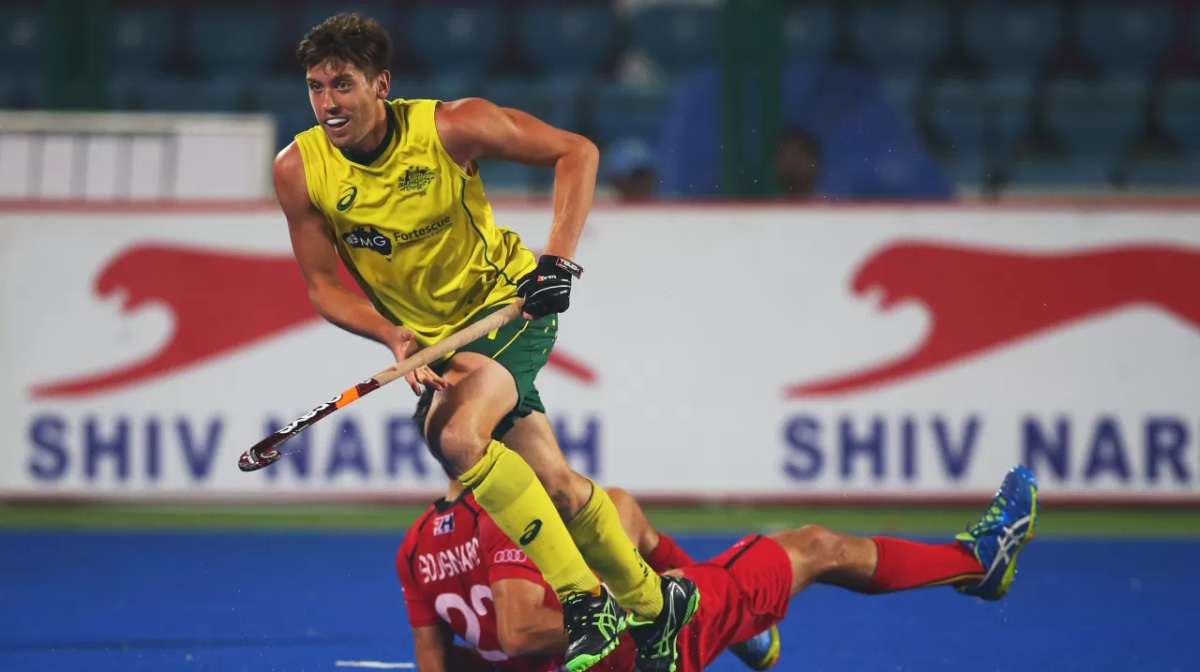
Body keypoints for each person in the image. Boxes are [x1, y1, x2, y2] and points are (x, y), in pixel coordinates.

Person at [273, 13, 694, 672]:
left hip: (508, 310)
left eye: (343, 84)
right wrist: (391, 334)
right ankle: (653, 603)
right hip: (437, 343)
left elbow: (576, 152)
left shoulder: (449, 126)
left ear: (380, 84)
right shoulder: (300, 169)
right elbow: (323, 288)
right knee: (554, 485)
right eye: (316, 87)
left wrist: (558, 261)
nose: (328, 102)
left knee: (456, 438)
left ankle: (586, 602)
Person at [399, 394, 1040, 671]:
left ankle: (751, 637)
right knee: (814, 546)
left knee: (616, 507)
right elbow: (518, 629)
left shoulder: (417, 544)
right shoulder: (513, 509)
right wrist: (635, 606)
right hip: (642, 652)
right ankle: (975, 562)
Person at [773, 126, 823, 198]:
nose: (790, 162)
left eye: (796, 155)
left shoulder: (826, 208)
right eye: (786, 154)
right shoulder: (769, 207)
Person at [605, 138, 658, 202]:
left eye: (645, 175)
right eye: (636, 176)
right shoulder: (600, 206)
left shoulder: (663, 208)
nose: (641, 184)